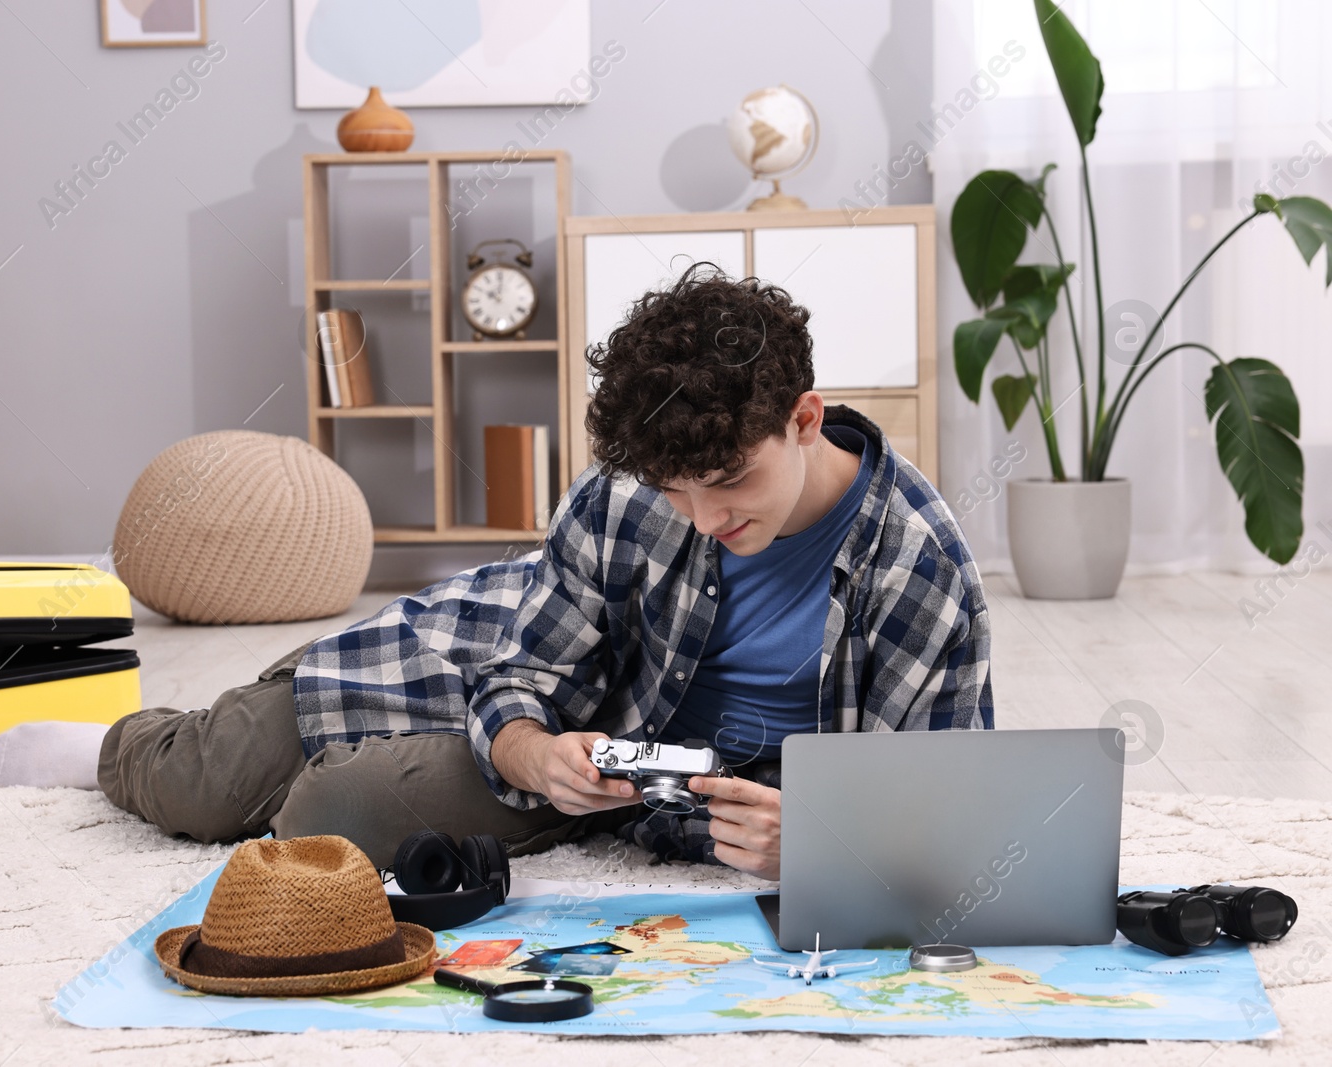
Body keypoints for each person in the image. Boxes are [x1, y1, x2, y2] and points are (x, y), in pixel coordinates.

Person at [89, 262, 994, 878]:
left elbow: (949, 806)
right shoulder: (627, 491)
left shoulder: (919, 564)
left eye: (729, 483)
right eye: (676, 495)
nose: (709, 521)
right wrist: (534, 752)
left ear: (804, 419)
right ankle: (95, 739)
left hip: (653, 788)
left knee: (328, 813)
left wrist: (825, 838)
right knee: (204, 780)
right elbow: (522, 674)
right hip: (494, 661)